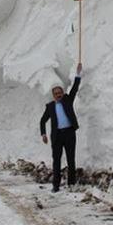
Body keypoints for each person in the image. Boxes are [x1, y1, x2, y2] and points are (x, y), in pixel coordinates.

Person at [40, 63, 82, 192]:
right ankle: (56, 185)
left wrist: (78, 74)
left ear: (63, 93)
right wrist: (44, 134)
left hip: (69, 133)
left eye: (60, 92)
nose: (58, 94)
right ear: (53, 95)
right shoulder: (50, 107)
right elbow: (42, 121)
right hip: (57, 136)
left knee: (71, 159)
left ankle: (71, 184)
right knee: (56, 161)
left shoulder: (68, 100)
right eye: (56, 93)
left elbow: (74, 88)